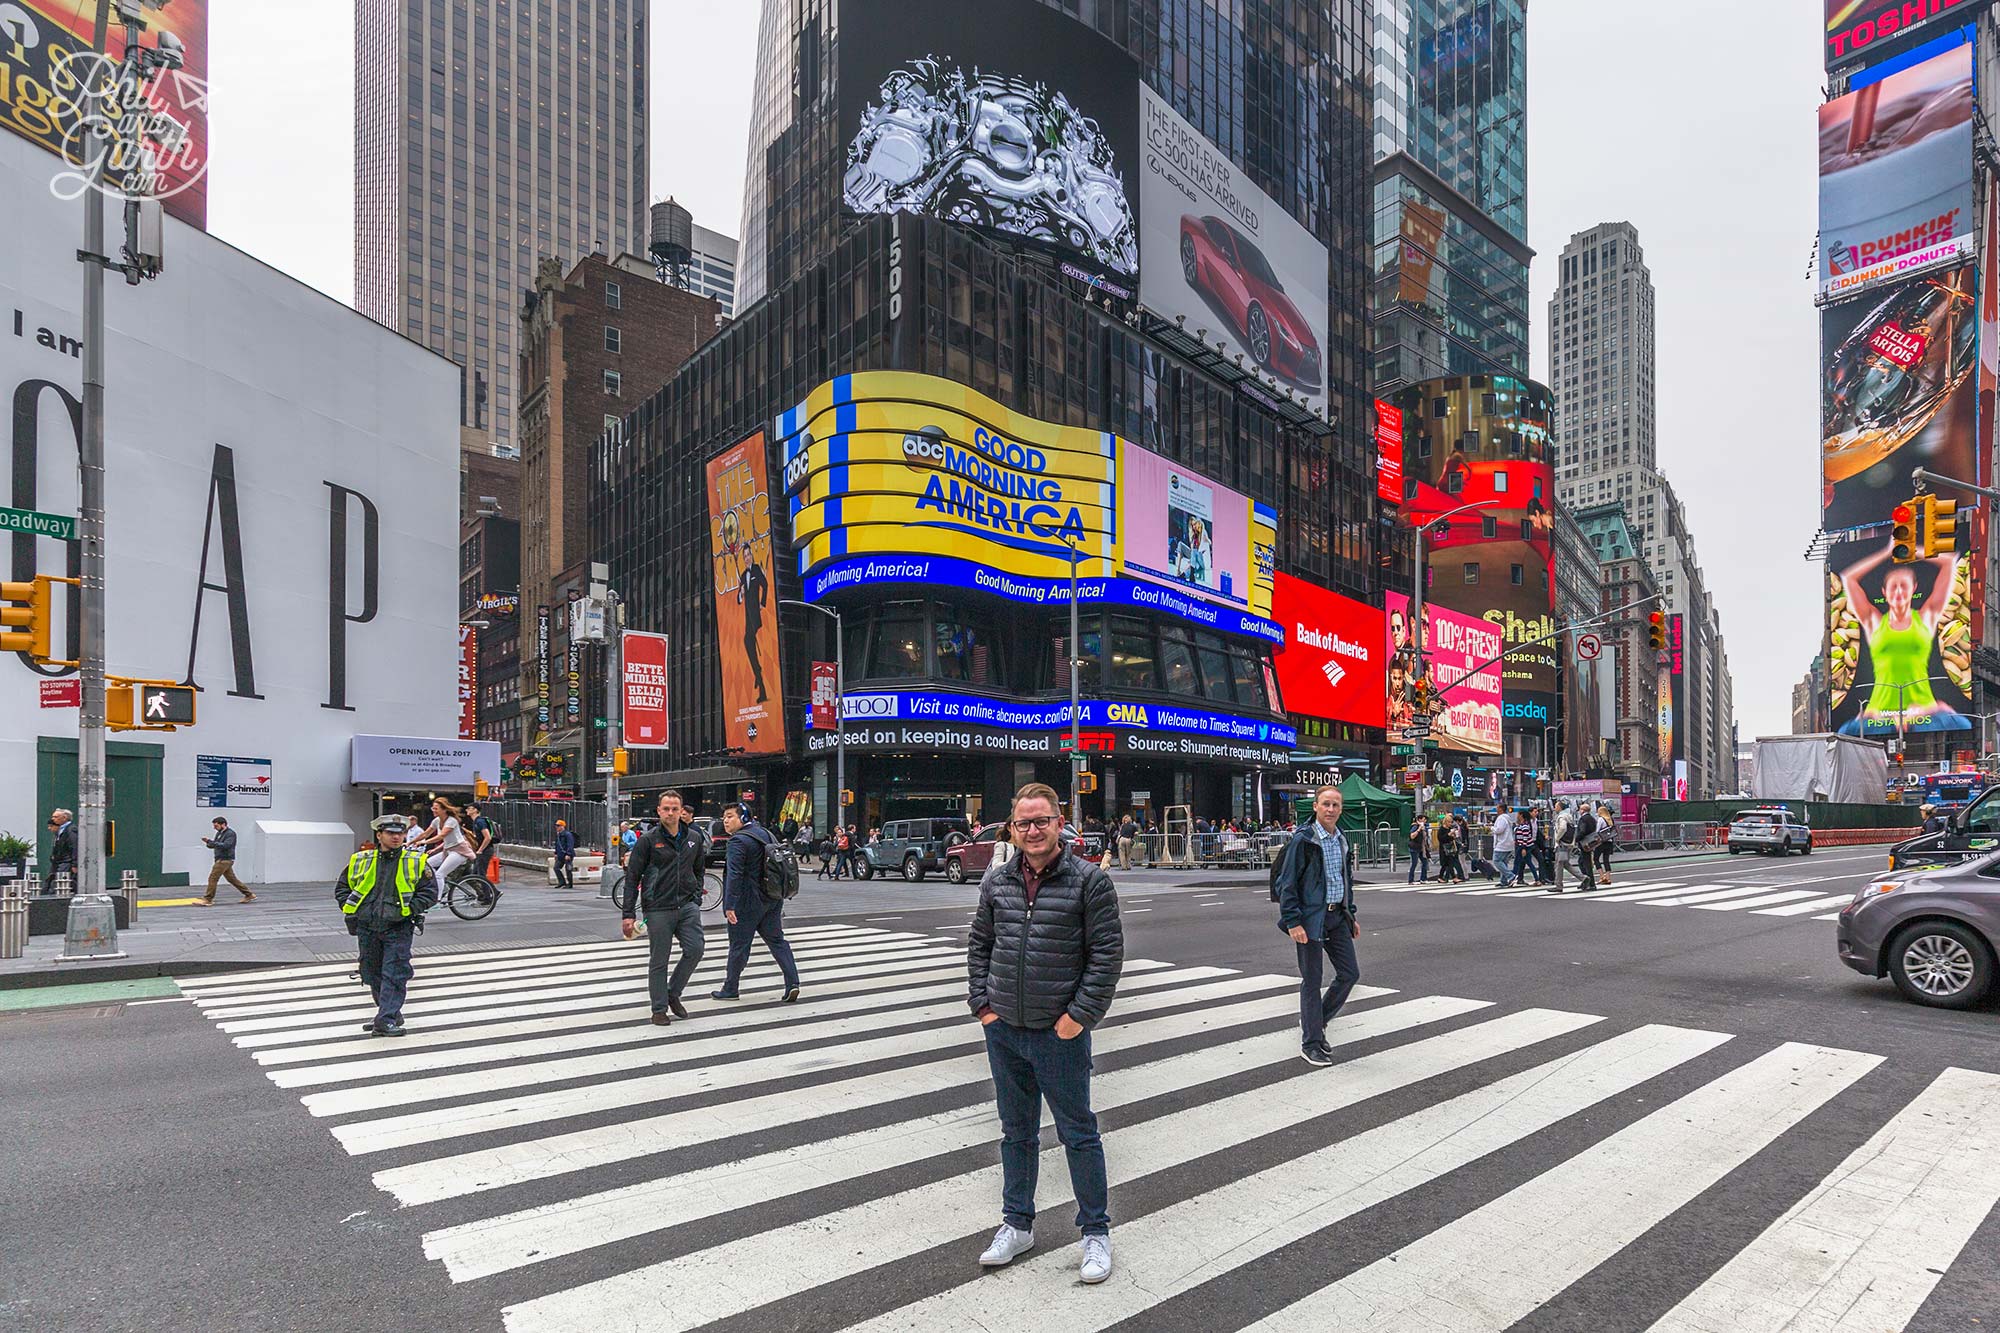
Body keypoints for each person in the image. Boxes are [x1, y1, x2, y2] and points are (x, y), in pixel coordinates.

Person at [967, 782, 1124, 1284]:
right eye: (1023, 823)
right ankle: (1017, 1225)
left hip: (1059, 1034)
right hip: (1005, 1030)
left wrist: (1077, 1017)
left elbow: (1106, 956)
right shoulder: (997, 880)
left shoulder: (1088, 882)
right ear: (1011, 829)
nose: (1033, 831)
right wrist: (983, 1006)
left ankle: (1095, 1233)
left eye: (1041, 821)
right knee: (1016, 1134)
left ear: (1060, 823)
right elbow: (979, 945)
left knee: (1078, 1133)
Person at [1273, 784, 1361, 1069]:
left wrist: (1351, 914)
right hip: (1310, 919)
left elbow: (1344, 879)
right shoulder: (1304, 840)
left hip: (1337, 917)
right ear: (1315, 806)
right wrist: (1293, 921)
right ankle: (1311, 1043)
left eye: (1335, 805)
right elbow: (1286, 884)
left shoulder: (1341, 838)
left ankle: (1316, 1021)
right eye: (1326, 804)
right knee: (1312, 980)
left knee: (1349, 974)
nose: (1331, 809)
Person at [332, 815, 439, 1037]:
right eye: (391, 833)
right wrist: (352, 908)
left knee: (394, 973)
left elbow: (430, 892)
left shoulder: (415, 861)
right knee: (371, 972)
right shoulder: (361, 859)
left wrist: (407, 910)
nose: (396, 837)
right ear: (379, 835)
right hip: (367, 926)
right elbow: (343, 887)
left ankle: (386, 1019)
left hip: (398, 926)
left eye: (400, 833)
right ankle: (388, 1013)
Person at [620, 790, 710, 1025]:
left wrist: (696, 895)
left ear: (682, 812)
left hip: (687, 905)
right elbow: (632, 877)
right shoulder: (648, 840)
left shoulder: (693, 838)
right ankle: (659, 1008)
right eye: (666, 809)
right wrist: (628, 914)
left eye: (675, 809)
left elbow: (699, 869)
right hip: (658, 908)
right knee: (659, 960)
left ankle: (673, 993)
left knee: (696, 949)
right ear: (659, 811)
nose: (670, 813)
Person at [710, 802, 802, 1003]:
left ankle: (730, 988)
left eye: (730, 816)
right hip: (772, 898)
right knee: (777, 941)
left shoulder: (737, 841)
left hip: (746, 903)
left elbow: (734, 874)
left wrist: (729, 905)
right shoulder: (766, 834)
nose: (725, 821)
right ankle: (792, 982)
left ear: (742, 818)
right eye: (724, 817)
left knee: (739, 946)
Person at [416, 797, 476, 892]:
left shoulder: (451, 821)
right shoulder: (437, 821)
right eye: (433, 808)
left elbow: (441, 836)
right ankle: (442, 886)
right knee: (425, 864)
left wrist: (424, 842)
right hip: (448, 851)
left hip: (460, 852)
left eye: (436, 808)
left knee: (440, 875)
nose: (433, 810)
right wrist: (409, 842)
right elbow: (425, 834)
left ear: (444, 809)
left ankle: (437, 901)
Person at [199, 816, 256, 904]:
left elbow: (226, 845)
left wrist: (211, 842)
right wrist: (208, 843)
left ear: (223, 824)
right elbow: (215, 844)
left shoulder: (230, 833)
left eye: (216, 826)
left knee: (213, 878)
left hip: (225, 860)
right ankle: (249, 894)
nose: (214, 828)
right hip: (222, 859)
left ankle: (208, 899)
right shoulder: (219, 833)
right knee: (232, 879)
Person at [463, 802, 498, 899]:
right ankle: (490, 892)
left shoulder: (480, 822)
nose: (467, 810)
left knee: (480, 874)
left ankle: (488, 897)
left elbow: (487, 837)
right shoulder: (476, 822)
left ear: (475, 810)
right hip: (483, 850)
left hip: (485, 851)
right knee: (475, 874)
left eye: (469, 808)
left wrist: (480, 850)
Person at [45, 808, 76, 888]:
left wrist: (74, 864)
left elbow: (74, 847)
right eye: (53, 817)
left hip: (66, 862)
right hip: (58, 862)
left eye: (55, 817)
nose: (53, 819)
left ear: (64, 818)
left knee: (60, 884)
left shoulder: (71, 830)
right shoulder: (60, 830)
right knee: (50, 882)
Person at [1489, 806, 1517, 887]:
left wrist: (1492, 828)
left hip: (1502, 843)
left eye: (1497, 808)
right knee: (1504, 862)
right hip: (1508, 843)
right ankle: (1503, 881)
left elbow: (1499, 830)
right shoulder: (1507, 818)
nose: (1496, 809)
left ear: (1501, 809)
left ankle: (1511, 876)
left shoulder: (1501, 818)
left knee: (1496, 861)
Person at [1405, 817, 1430, 884]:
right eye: (1423, 819)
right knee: (1414, 863)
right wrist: (1419, 829)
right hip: (1414, 847)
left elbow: (1425, 838)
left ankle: (1423, 878)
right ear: (1419, 820)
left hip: (1421, 848)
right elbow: (1412, 836)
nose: (1425, 821)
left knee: (1425, 862)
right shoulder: (1415, 827)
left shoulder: (1424, 828)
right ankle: (1411, 880)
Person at [553, 820, 577, 890]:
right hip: (560, 855)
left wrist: (568, 854)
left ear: (562, 826)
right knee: (556, 868)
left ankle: (570, 884)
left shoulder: (568, 834)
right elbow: (557, 845)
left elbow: (570, 845)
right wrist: (556, 853)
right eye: (556, 826)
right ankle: (562, 882)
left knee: (568, 869)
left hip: (567, 855)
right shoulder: (558, 835)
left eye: (558, 826)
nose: (556, 827)